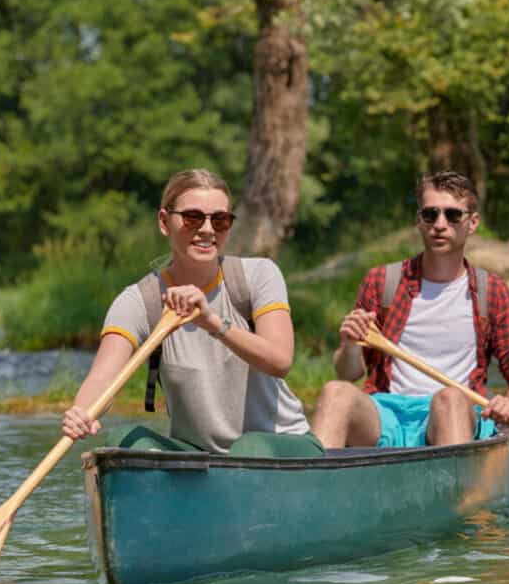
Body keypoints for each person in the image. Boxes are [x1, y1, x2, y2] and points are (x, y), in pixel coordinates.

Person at [62, 168, 323, 457]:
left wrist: (211, 322)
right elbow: (102, 378)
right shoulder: (139, 301)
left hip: (281, 444)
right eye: (193, 218)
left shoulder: (259, 275)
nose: (207, 230)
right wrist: (82, 412)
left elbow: (280, 360)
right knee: (126, 439)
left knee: (249, 447)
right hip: (200, 457)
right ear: (164, 222)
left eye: (220, 220)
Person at [310, 170, 509, 449]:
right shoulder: (382, 282)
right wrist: (350, 345)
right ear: (419, 220)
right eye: (430, 214)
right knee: (336, 392)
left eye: (453, 215)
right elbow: (348, 374)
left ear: (472, 222)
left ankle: (454, 489)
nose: (440, 224)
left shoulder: (492, 292)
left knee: (449, 398)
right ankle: (317, 485)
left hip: (455, 412)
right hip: (386, 413)